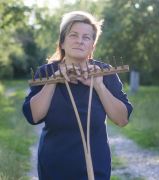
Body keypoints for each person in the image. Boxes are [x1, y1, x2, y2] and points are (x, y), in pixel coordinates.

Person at [22, 11, 133, 180]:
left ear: (92, 46)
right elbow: (34, 116)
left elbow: (122, 119)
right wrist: (53, 81)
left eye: (86, 37)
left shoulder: (105, 73)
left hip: (95, 166)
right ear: (62, 42)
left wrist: (99, 86)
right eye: (73, 35)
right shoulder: (46, 72)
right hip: (54, 166)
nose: (80, 41)